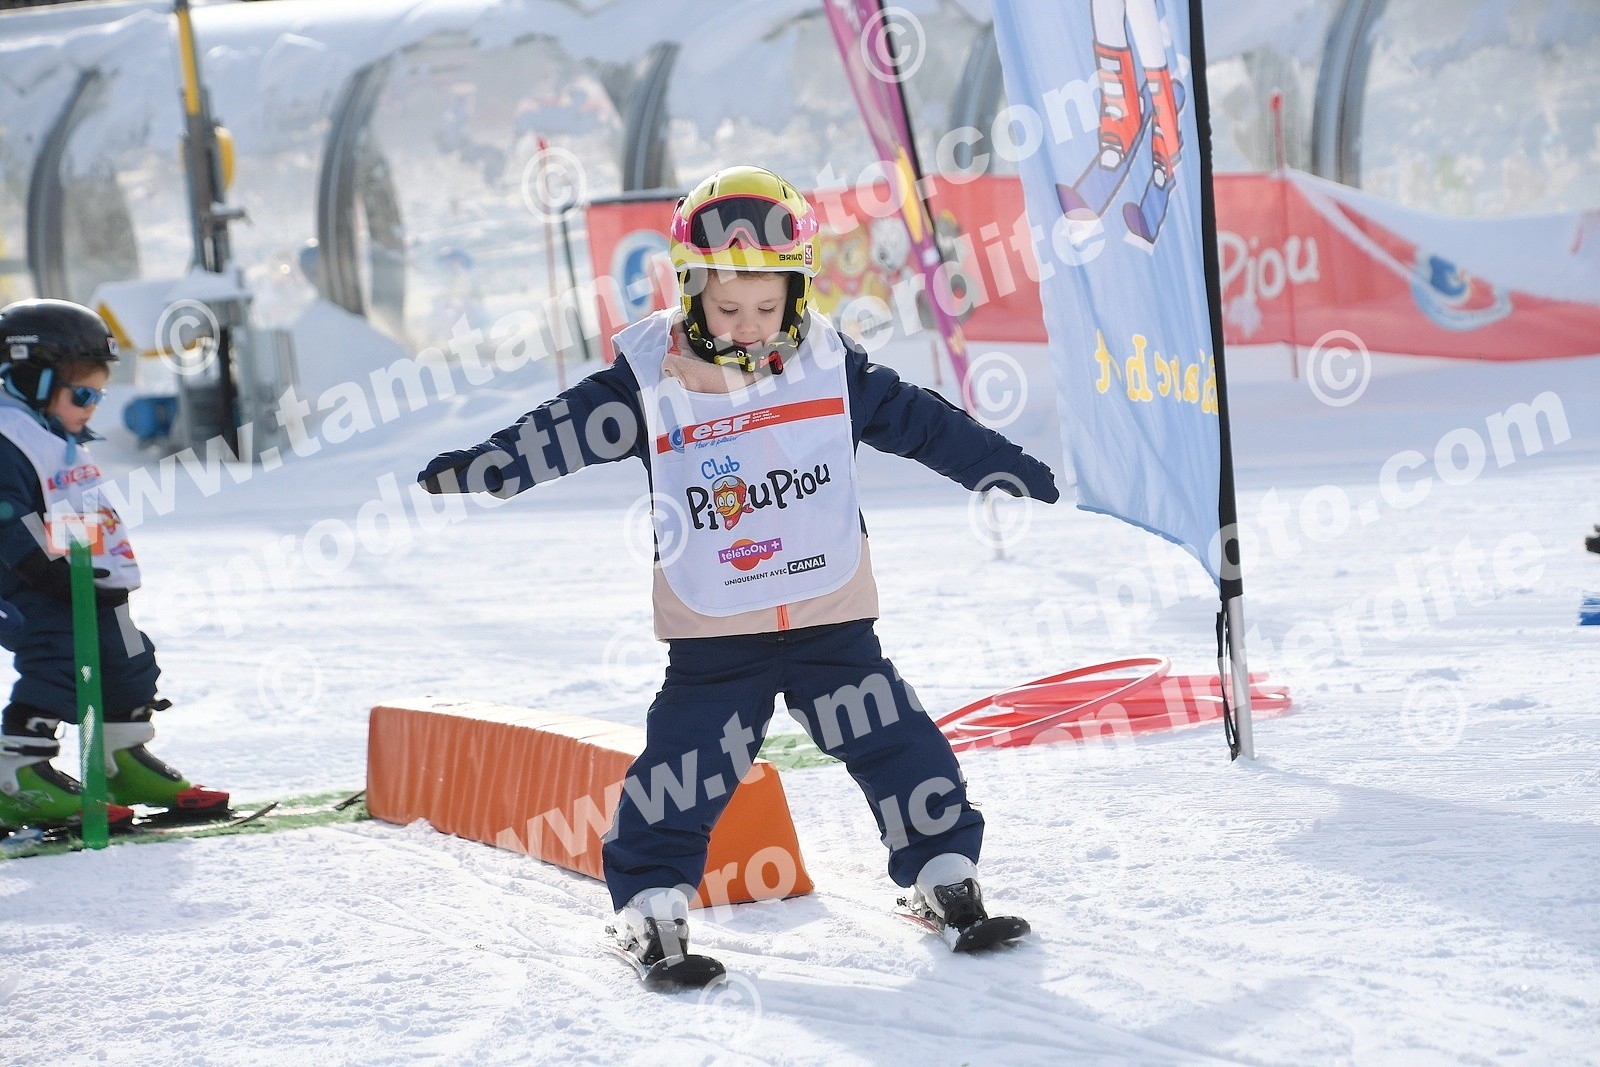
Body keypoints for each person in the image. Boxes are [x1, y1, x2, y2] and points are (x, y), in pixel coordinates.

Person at [418, 166, 1058, 965]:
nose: (751, 326)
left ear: (798, 293)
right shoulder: (649, 377)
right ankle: (652, 907)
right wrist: (492, 465)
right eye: (728, 309)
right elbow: (566, 428)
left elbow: (926, 424)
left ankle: (945, 874)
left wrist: (1004, 466)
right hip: (716, 634)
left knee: (899, 743)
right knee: (683, 772)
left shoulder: (831, 367)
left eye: (767, 307)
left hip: (830, 620)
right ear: (692, 294)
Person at [0, 298, 227, 830]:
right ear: (30, 379)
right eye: (82, 394)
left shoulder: (55, 437)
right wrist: (42, 567)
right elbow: (6, 512)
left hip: (90, 582)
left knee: (129, 656)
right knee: (59, 659)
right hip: (29, 584)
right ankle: (16, 773)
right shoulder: (9, 438)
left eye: (97, 395)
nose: (91, 407)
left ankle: (119, 758)